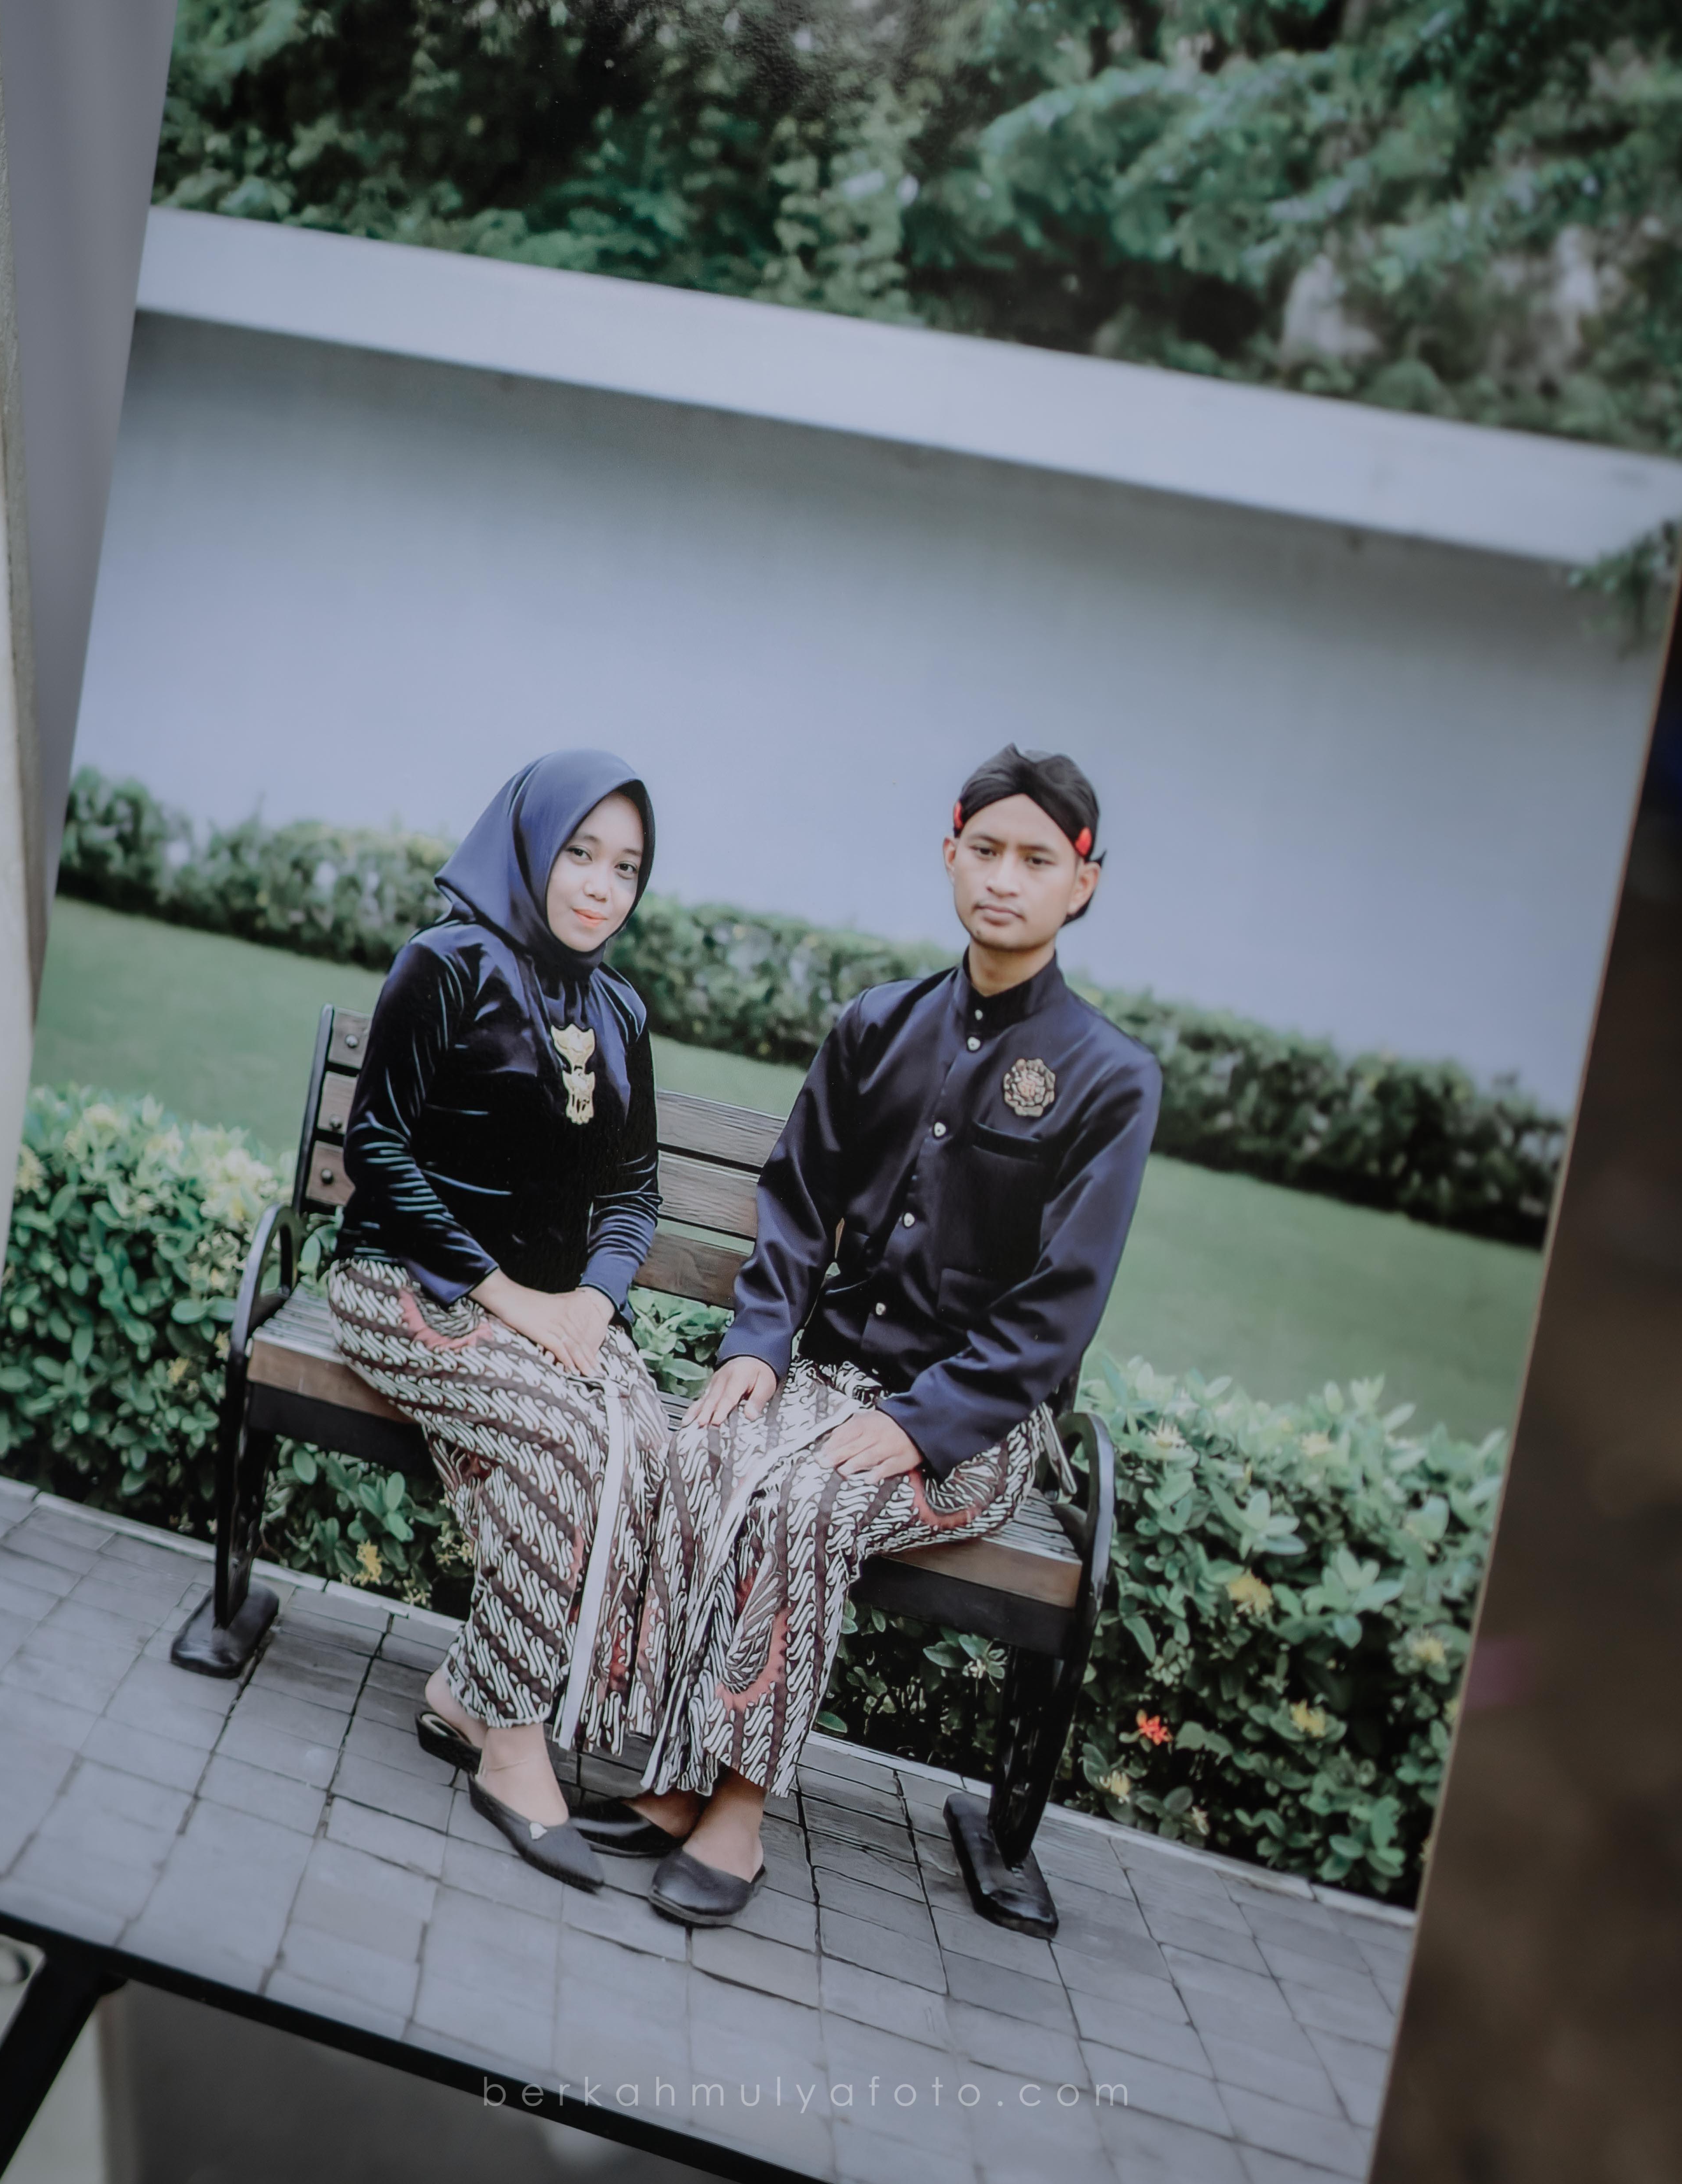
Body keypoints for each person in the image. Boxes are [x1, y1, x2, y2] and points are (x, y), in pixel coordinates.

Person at [573, 745, 1163, 1926]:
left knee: (809, 1503)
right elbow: (797, 1201)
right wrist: (758, 1344)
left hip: (972, 1429)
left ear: (1083, 883)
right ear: (951, 855)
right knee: (705, 1451)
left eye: (1036, 859)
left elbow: (1061, 1302)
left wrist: (926, 1426)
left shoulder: (1111, 1080)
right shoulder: (879, 1024)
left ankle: (739, 1808)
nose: (1005, 878)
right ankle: (674, 1775)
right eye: (985, 850)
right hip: (827, 1377)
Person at [326, 750, 672, 1894]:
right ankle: (512, 1745)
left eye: (626, 868)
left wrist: (593, 1304)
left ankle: (469, 1692)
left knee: (648, 1441)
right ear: (529, 847)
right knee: (560, 1438)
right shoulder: (446, 963)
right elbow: (377, 1150)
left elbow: (634, 1196)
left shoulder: (620, 1009)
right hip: (406, 1281)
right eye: (582, 854)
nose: (602, 887)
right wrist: (512, 1298)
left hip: (555, 1311)